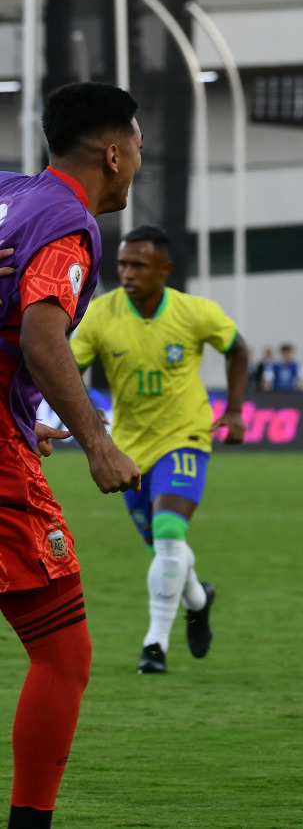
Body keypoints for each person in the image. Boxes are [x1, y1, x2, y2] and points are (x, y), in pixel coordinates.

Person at [0, 81, 144, 828]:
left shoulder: (8, 194)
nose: (138, 166)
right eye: (139, 151)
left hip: (10, 426)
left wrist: (30, 418)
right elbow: (40, 334)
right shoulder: (69, 222)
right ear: (115, 154)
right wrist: (97, 440)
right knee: (64, 653)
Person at [70, 225, 249, 674]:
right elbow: (66, 367)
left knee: (169, 530)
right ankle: (198, 599)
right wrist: (73, 414)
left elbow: (238, 349)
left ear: (164, 270)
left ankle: (155, 645)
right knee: (165, 552)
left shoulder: (194, 313)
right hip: (127, 448)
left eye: (139, 266)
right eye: (123, 265)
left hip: (185, 437)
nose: (128, 274)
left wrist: (235, 410)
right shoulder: (100, 314)